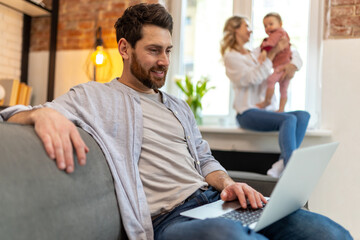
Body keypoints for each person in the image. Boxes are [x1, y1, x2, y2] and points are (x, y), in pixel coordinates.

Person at [0, 4, 352, 240]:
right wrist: (42, 113)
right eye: (154, 50)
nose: (164, 61)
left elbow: (204, 159)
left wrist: (229, 184)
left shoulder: (179, 107)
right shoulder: (96, 96)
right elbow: (16, 112)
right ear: (124, 49)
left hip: (215, 200)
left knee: (326, 232)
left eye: (168, 51)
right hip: (171, 219)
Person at [221, 15, 310, 178]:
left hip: (267, 111)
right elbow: (252, 78)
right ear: (235, 30)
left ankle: (281, 163)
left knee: (303, 116)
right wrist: (272, 53)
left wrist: (293, 65)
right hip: (247, 112)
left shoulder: (255, 52)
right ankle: (291, 169)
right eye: (246, 26)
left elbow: (292, 51)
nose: (251, 30)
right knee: (289, 119)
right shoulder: (231, 57)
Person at [256, 12, 292, 112]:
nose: (268, 28)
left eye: (271, 24)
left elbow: (269, 43)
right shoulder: (282, 34)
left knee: (271, 80)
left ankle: (267, 101)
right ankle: (281, 109)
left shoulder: (277, 33)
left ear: (280, 24)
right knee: (283, 88)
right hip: (285, 64)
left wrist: (264, 51)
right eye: (265, 26)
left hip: (281, 66)